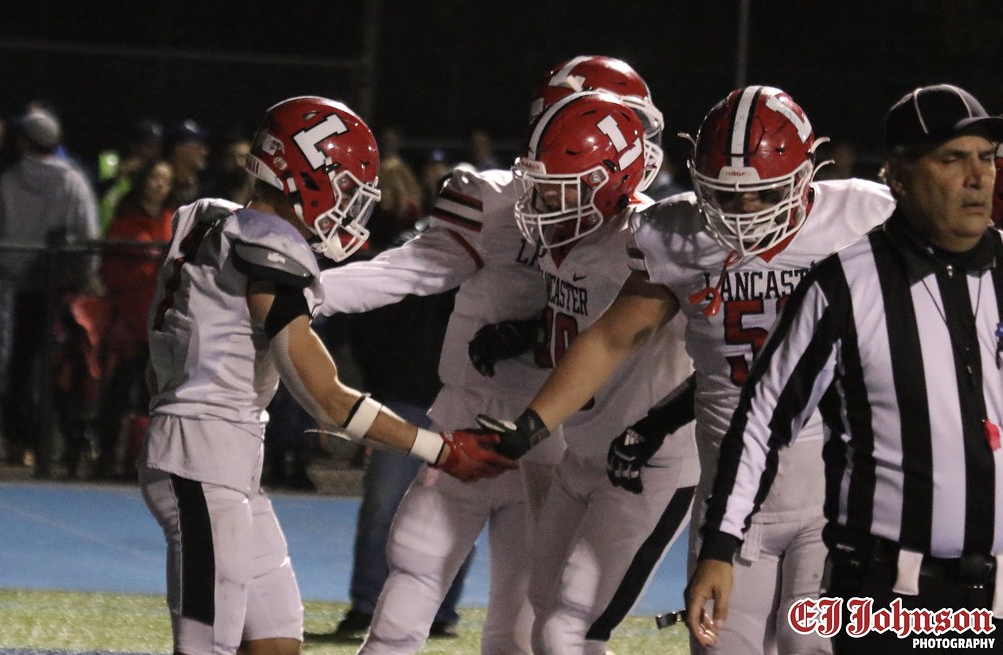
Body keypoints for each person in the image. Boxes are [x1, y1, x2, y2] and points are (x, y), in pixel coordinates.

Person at [479, 85, 896, 655]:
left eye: (764, 194)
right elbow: (616, 334)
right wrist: (534, 423)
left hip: (843, 486)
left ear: (807, 175)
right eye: (725, 197)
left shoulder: (865, 216)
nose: (746, 212)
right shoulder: (676, 234)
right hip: (730, 496)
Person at [137, 95, 515, 655]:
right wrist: (440, 449)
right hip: (201, 455)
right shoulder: (266, 246)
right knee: (204, 646)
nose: (348, 205)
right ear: (304, 177)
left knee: (276, 640)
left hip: (221, 455)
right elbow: (327, 400)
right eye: (343, 187)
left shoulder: (209, 218)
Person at [321, 55, 673, 655]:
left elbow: (616, 327)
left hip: (560, 431)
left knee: (533, 613)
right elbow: (408, 270)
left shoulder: (640, 232)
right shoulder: (494, 200)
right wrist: (310, 294)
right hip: (476, 410)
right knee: (419, 557)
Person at [685, 84, 1003, 654]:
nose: (978, 177)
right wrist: (720, 545)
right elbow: (761, 421)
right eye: (953, 159)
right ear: (899, 179)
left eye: (987, 157)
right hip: (890, 598)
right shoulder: (844, 285)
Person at [489, 88, 698, 655]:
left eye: (559, 189)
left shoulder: (654, 241)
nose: (540, 202)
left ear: (613, 180)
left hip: (647, 464)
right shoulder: (570, 238)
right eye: (539, 186)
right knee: (545, 611)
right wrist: (526, 333)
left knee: (569, 629)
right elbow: (581, 323)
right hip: (582, 451)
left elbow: (629, 334)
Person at [333, 154, 473, 638]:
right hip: (415, 398)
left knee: (449, 512)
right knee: (392, 509)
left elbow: (367, 328)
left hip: (445, 400)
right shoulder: (424, 250)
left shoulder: (482, 261)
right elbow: (372, 324)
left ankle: (428, 610)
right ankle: (378, 606)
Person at [0, 106, 99, 467]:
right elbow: (88, 236)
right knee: (59, 365)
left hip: (14, 290)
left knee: (18, 366)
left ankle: (20, 441)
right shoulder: (72, 180)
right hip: (60, 289)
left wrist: (6, 267)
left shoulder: (10, 177)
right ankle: (61, 444)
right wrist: (82, 275)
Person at [95, 159, 174, 479]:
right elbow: (111, 268)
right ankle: (105, 457)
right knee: (117, 393)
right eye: (154, 176)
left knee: (152, 397)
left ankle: (143, 461)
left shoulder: (173, 220)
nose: (158, 183)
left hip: (163, 324)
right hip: (130, 320)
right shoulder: (125, 221)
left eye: (164, 179)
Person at [164, 118, 210, 208]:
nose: (204, 152)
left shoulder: (207, 189)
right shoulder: (160, 189)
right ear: (179, 149)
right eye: (198, 146)